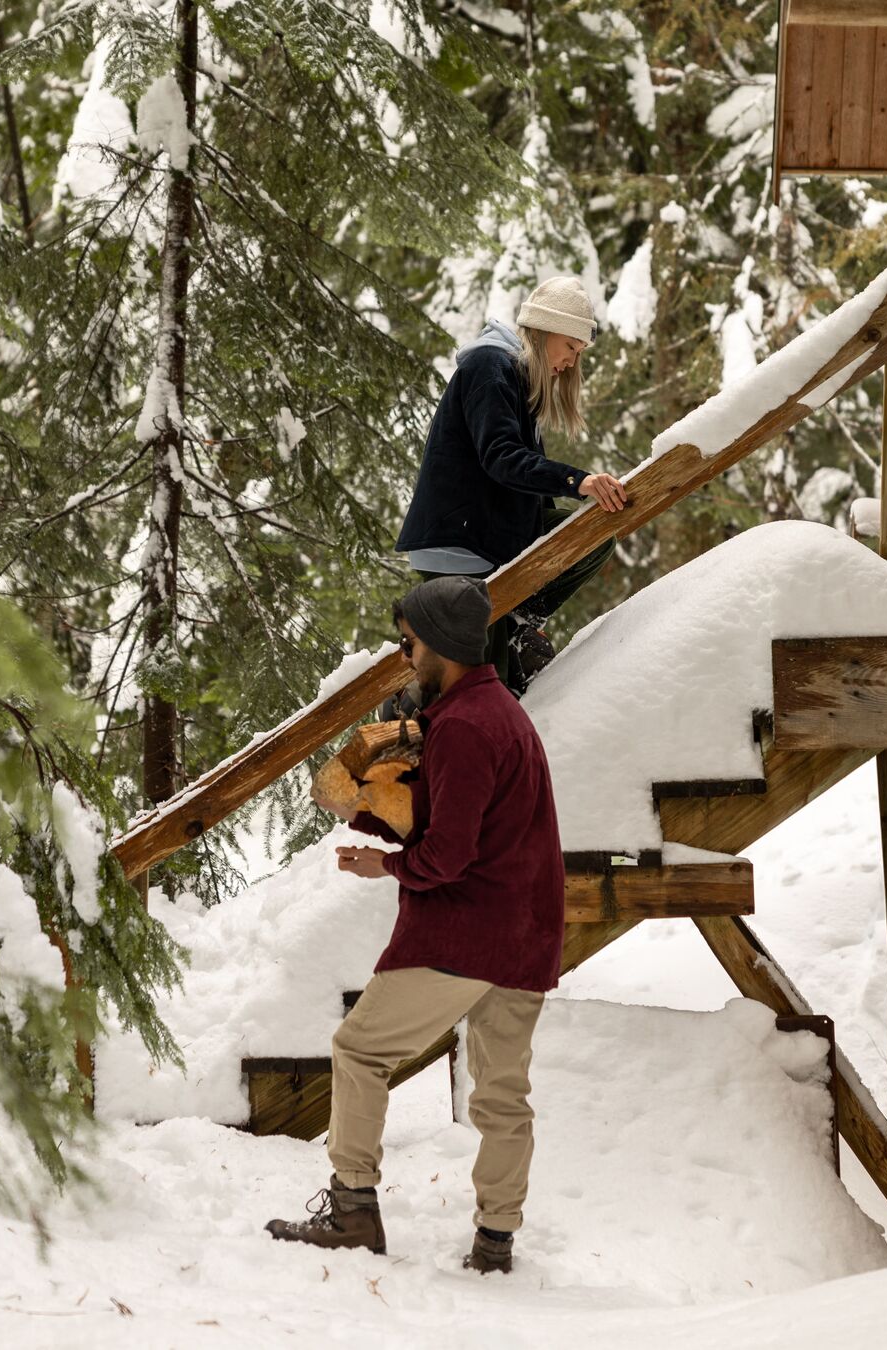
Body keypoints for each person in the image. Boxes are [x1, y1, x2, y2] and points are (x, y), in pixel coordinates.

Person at [266, 575, 566, 1275]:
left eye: (410, 641)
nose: (404, 655)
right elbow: (458, 824)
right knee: (501, 1092)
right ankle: (496, 1241)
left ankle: (353, 1209)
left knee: (360, 1050)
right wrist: (372, 812)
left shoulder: (463, 726)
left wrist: (384, 868)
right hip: (525, 928)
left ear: (440, 644)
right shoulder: (497, 713)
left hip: (469, 929)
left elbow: (448, 855)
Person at [393, 275, 627, 700]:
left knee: (590, 536)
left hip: (491, 535)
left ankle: (518, 623)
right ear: (545, 329)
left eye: (579, 353)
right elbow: (501, 457)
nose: (572, 362)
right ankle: (413, 711)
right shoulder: (490, 366)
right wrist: (578, 480)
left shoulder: (516, 377)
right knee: (489, 687)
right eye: (571, 347)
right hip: (462, 545)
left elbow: (524, 481)